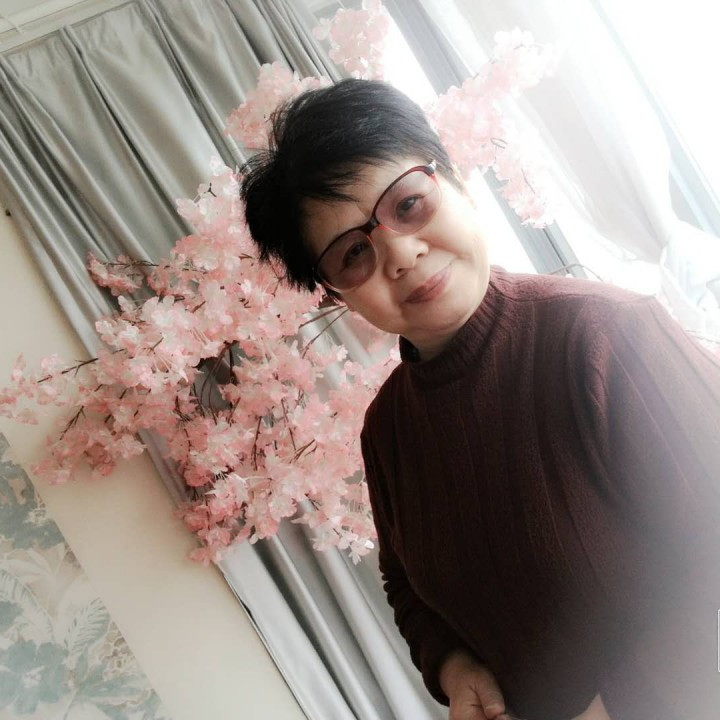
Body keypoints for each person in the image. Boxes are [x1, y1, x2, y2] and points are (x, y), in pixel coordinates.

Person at [240, 78, 720, 720]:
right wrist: (453, 666)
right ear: (335, 294)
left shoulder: (605, 335)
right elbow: (406, 587)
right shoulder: (387, 430)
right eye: (354, 252)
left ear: (458, 181)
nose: (401, 253)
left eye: (409, 204)